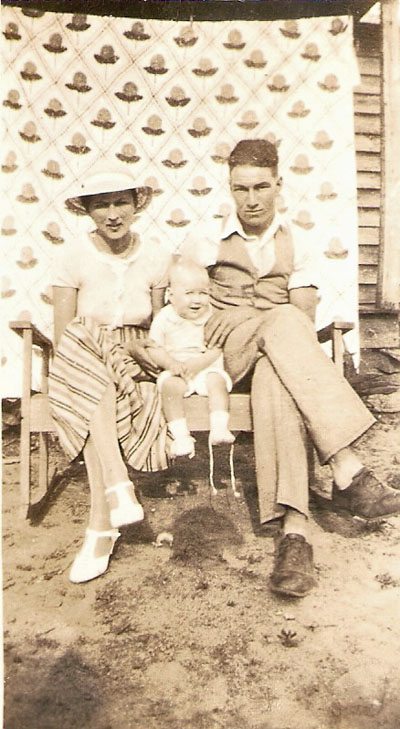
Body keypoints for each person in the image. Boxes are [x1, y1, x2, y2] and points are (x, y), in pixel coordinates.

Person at [181, 138, 400, 598]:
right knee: (280, 322)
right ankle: (346, 464)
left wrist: (258, 323)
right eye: (240, 189)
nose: (251, 199)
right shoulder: (205, 239)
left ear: (279, 184)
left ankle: (294, 537)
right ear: (230, 188)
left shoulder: (300, 242)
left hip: (277, 356)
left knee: (278, 380)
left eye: (261, 187)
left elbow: (301, 317)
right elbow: (183, 303)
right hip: (226, 356)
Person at [49, 170, 171, 583]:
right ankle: (118, 487)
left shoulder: (156, 256)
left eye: (121, 202)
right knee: (85, 336)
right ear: (87, 210)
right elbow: (64, 334)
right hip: (82, 358)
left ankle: (102, 527)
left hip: (134, 361)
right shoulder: (72, 257)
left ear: (136, 205)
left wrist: (141, 349)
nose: (113, 214)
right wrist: (102, 348)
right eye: (101, 205)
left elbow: (160, 326)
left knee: (95, 392)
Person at [146, 258, 234, 458]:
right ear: (171, 295)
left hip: (205, 367)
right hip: (176, 369)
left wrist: (200, 363)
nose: (197, 300)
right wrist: (170, 363)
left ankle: (219, 428)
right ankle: (181, 437)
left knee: (217, 381)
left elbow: (216, 348)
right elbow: (154, 348)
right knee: (170, 387)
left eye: (203, 293)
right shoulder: (164, 317)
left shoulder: (211, 315)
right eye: (189, 293)